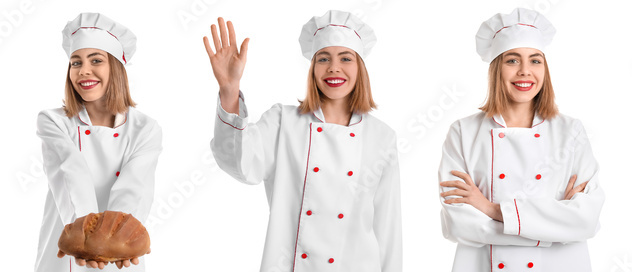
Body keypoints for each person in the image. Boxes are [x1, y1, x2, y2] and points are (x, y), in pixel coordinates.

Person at [204, 11, 401, 271]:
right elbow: (238, 163)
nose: (334, 67)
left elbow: (388, 228)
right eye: (323, 58)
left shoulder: (382, 137)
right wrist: (229, 89)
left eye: (346, 58)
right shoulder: (283, 122)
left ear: (360, 68)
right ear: (313, 68)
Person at [438, 8, 605, 271]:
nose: (525, 71)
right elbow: (460, 225)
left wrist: (491, 209)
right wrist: (553, 226)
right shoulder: (463, 132)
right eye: (512, 60)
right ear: (496, 69)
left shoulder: (571, 131)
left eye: (535, 61)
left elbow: (585, 220)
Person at [35, 12, 162, 272]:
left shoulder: (145, 129)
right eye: (75, 62)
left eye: (96, 60)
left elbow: (134, 188)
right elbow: (70, 172)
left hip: (122, 258)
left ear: (115, 67)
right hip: (66, 255)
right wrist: (86, 239)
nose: (84, 71)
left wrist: (117, 237)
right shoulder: (53, 121)